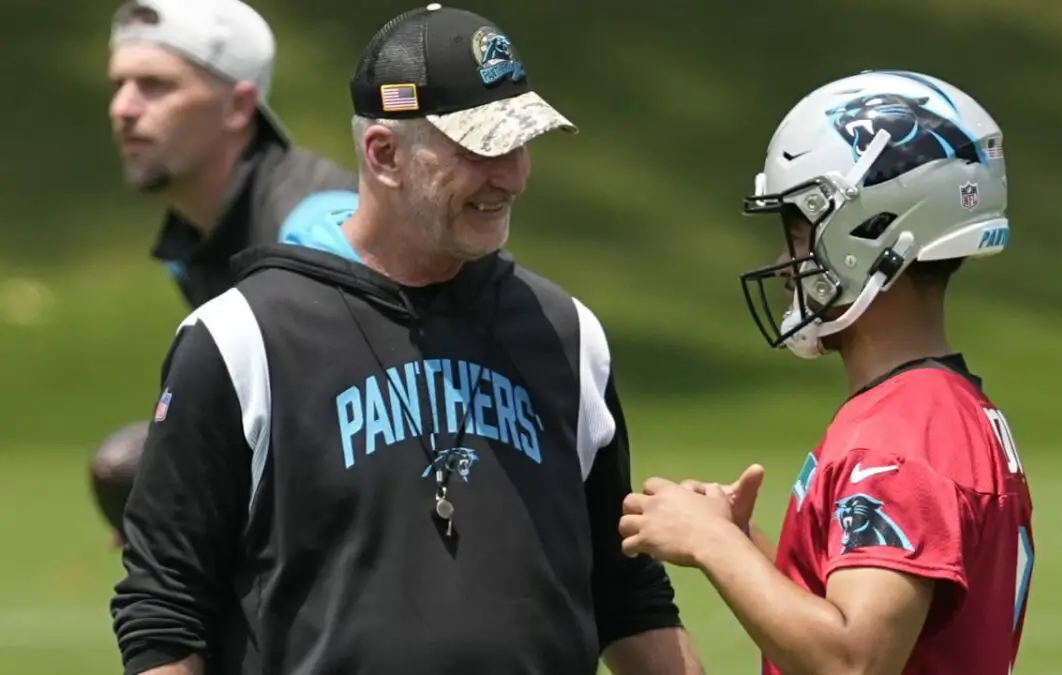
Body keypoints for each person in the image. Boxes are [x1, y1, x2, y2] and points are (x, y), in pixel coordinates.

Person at [110, 5, 704, 675]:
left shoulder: (567, 334)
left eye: (520, 142)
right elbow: (164, 612)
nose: (511, 175)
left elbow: (626, 595)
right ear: (384, 155)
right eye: (479, 148)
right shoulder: (238, 339)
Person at [618, 70, 1035, 675]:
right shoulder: (943, 410)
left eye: (797, 234)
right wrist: (742, 541)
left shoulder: (902, 435)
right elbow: (865, 606)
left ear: (868, 232)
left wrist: (711, 544)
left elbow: (853, 659)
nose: (786, 266)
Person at [93, 0, 358, 544]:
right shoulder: (197, 238)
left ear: (239, 107)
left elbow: (376, 413)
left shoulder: (317, 229)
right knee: (132, 469)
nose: (123, 107)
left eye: (155, 85)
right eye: (119, 84)